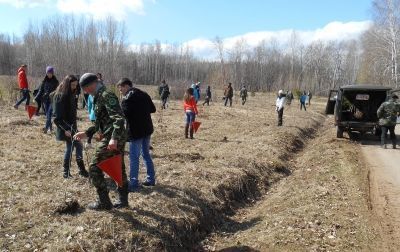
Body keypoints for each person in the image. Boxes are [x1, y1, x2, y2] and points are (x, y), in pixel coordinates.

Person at [73, 73, 129, 210]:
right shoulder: (97, 96)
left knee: (94, 167)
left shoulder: (106, 95)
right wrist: (87, 133)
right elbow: (102, 123)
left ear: (93, 83)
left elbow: (119, 118)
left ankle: (104, 202)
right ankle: (123, 200)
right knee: (118, 167)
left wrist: (114, 138)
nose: (85, 91)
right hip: (112, 136)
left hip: (114, 137)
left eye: (86, 88)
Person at [117, 78, 156, 192]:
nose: (121, 92)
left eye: (121, 89)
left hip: (136, 132)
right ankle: (151, 179)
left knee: (134, 157)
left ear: (126, 86)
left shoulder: (127, 99)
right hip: (147, 129)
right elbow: (153, 109)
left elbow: (123, 115)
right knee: (146, 155)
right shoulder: (144, 94)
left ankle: (133, 183)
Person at [53, 75, 89, 178]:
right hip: (65, 128)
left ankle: (81, 170)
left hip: (73, 127)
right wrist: (65, 129)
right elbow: (56, 117)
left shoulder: (71, 94)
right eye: (72, 85)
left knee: (78, 145)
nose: (74, 87)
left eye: (76, 85)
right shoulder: (59, 96)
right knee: (70, 147)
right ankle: (66, 171)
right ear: (67, 84)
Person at [36, 66, 59, 134]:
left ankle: (46, 128)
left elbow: (58, 91)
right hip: (45, 101)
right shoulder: (44, 81)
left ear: (52, 73)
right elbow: (40, 91)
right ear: (46, 73)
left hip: (52, 101)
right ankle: (51, 128)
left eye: (50, 73)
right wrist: (35, 98)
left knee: (49, 115)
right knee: (47, 115)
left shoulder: (56, 81)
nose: (49, 74)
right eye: (48, 73)